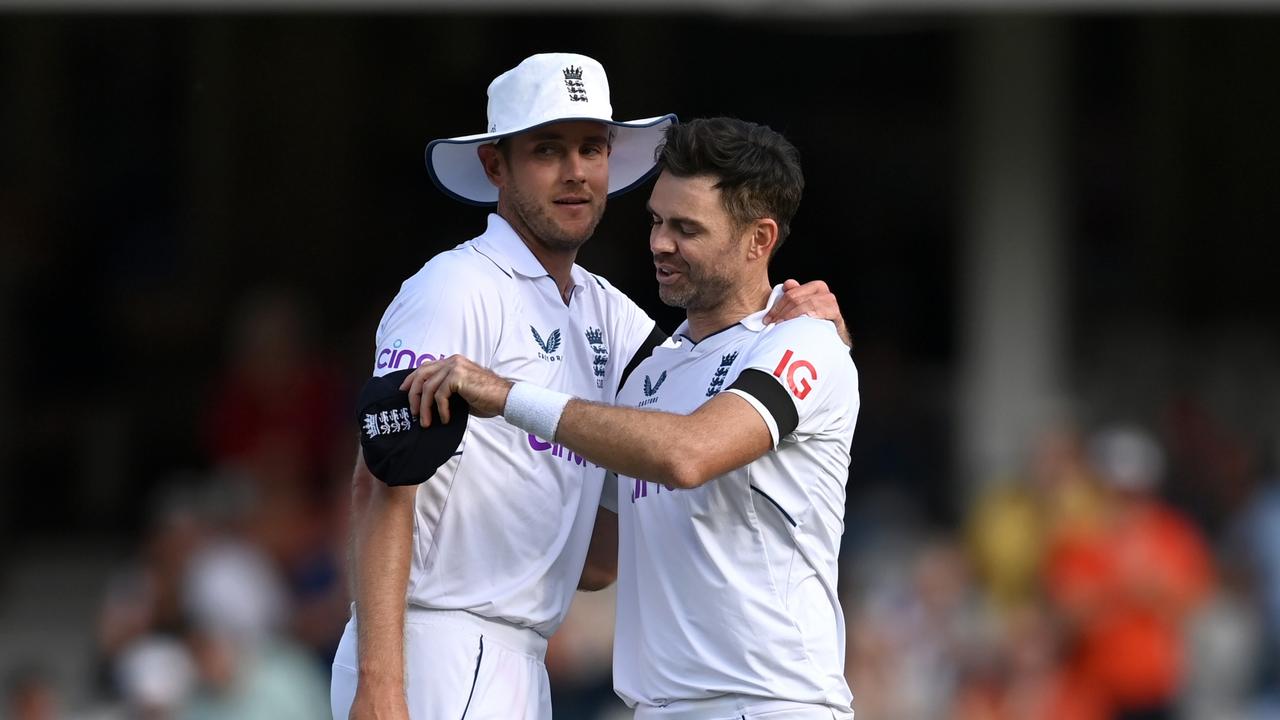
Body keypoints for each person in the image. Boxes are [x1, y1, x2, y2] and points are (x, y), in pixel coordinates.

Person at [334, 55, 849, 720]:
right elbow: (380, 477)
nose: (575, 171)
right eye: (547, 150)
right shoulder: (454, 287)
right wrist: (380, 681)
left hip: (520, 657)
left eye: (591, 147)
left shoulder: (610, 314)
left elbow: (691, 410)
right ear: (496, 166)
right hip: (431, 645)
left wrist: (804, 318)